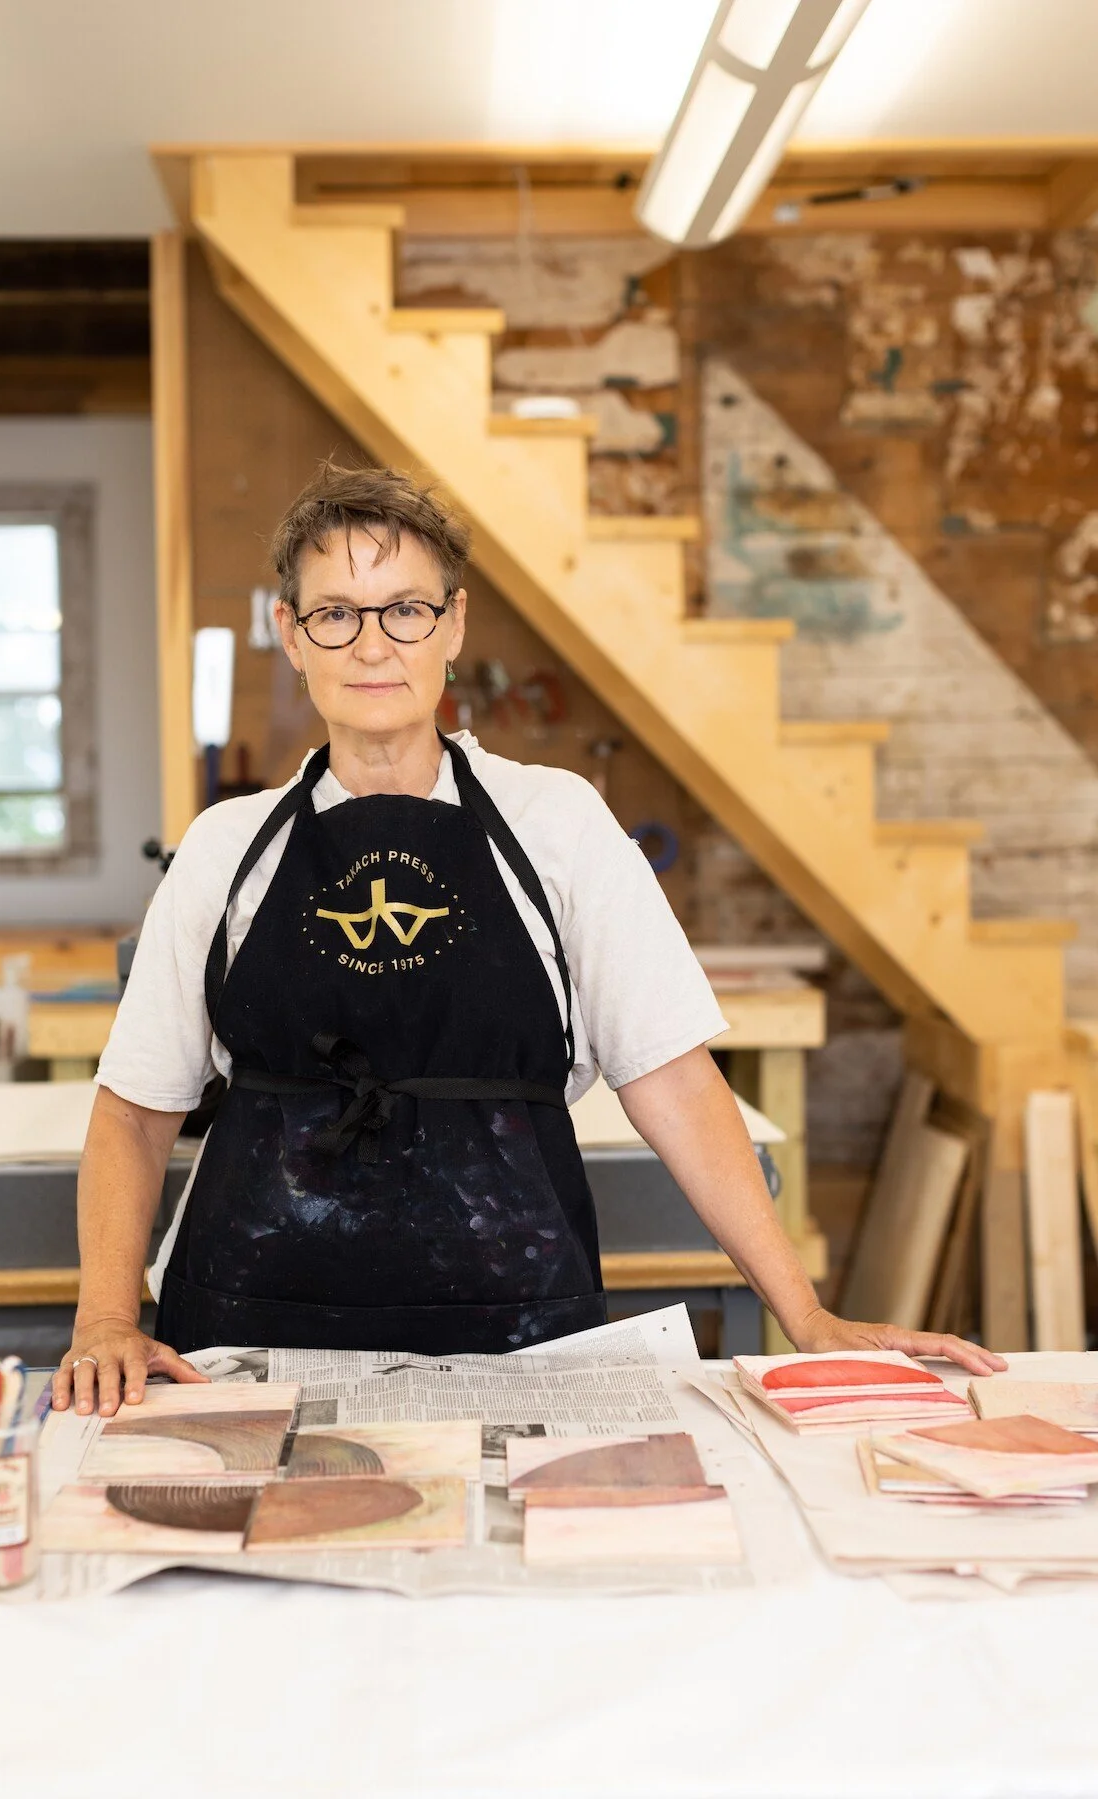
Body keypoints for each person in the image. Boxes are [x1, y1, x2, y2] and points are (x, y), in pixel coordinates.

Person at [53, 462, 1005, 1417]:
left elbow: (672, 1079)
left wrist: (807, 1315)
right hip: (245, 1338)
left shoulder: (557, 822)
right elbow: (133, 1111)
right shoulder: (226, 849)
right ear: (289, 633)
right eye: (336, 613)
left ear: (456, 625)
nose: (372, 644)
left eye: (406, 610)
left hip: (519, 1340)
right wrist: (104, 1319)